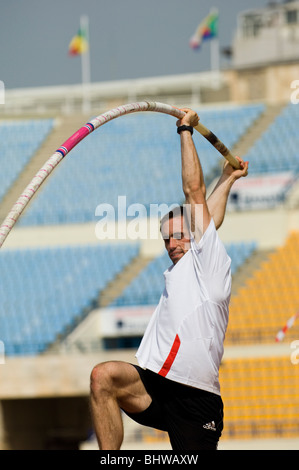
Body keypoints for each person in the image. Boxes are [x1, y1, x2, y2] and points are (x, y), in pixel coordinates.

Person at [90, 108, 249, 450]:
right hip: (157, 386)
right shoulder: (186, 261)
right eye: (166, 239)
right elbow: (211, 215)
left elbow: (195, 194)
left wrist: (185, 131)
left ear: (195, 234)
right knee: (103, 377)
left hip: (196, 396)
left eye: (179, 235)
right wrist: (229, 178)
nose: (172, 244)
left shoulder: (209, 262)